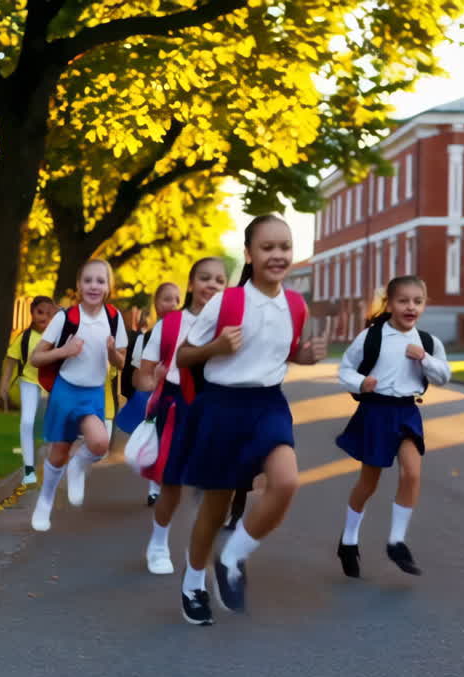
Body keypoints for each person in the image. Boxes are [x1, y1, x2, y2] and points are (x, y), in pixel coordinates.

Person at [172, 216, 326, 625]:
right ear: (249, 255)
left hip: (268, 404)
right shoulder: (228, 302)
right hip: (223, 406)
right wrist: (217, 346)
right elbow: (183, 356)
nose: (277, 256)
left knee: (286, 481)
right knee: (215, 509)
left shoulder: (295, 304)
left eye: (285, 247)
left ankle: (233, 557)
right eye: (267, 248)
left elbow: (281, 352)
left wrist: (303, 356)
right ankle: (192, 584)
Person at [334, 275, 450, 578]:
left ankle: (396, 542)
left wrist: (424, 359)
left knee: (412, 473)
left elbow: (443, 375)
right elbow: (345, 368)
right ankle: (348, 541)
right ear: (390, 303)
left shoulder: (427, 342)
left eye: (417, 301)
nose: (410, 307)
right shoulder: (372, 337)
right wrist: (361, 382)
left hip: (407, 412)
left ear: (424, 305)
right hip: (376, 412)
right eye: (403, 301)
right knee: (368, 483)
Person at [134, 258, 227, 574]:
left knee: (218, 485)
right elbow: (141, 378)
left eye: (219, 280)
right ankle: (158, 545)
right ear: (191, 284)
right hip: (176, 405)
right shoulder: (170, 324)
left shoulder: (231, 327)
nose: (211, 285)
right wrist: (155, 378)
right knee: (171, 483)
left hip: (216, 407)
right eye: (204, 278)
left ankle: (202, 553)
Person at [29, 259, 127, 532]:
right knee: (58, 453)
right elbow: (36, 357)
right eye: (88, 280)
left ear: (108, 287)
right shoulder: (65, 317)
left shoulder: (113, 318)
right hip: (65, 391)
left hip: (93, 393)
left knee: (99, 444)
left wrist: (111, 352)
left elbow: (121, 363)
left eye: (100, 281)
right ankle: (45, 502)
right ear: (78, 285)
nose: (94, 286)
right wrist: (65, 351)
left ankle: (78, 467)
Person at [117, 282, 181, 505]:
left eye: (176, 300)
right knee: (158, 442)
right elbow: (136, 376)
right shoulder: (145, 339)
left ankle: (166, 481)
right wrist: (155, 377)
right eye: (167, 299)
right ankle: (155, 487)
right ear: (156, 303)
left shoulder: (188, 334)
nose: (172, 304)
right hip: (156, 399)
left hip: (180, 398)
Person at [0, 296, 56, 486]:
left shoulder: (57, 337)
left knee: (51, 426)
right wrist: (4, 386)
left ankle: (52, 463)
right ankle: (29, 468)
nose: (44, 317)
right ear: (32, 313)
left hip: (52, 385)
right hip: (28, 382)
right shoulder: (24, 337)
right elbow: (11, 361)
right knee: (28, 422)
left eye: (49, 313)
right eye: (40, 312)